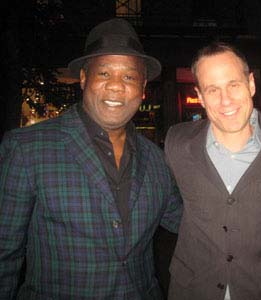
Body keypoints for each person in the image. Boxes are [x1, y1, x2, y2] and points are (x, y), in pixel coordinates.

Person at [0, 18, 182, 299]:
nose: (116, 86)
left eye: (130, 77)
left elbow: (190, 221)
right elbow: (4, 254)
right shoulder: (27, 149)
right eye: (105, 73)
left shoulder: (157, 159)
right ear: (84, 78)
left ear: (143, 87)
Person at [165, 42, 261, 300]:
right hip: (192, 290)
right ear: (200, 95)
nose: (225, 100)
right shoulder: (177, 143)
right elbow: (166, 201)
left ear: (251, 84)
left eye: (233, 85)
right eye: (212, 89)